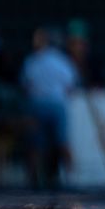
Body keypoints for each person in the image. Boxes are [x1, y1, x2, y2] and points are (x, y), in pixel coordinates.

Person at [18, 27, 78, 189]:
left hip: (38, 104)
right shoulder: (60, 60)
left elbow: (25, 87)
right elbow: (70, 85)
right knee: (60, 141)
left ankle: (32, 181)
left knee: (37, 145)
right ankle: (72, 178)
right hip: (55, 104)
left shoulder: (31, 61)